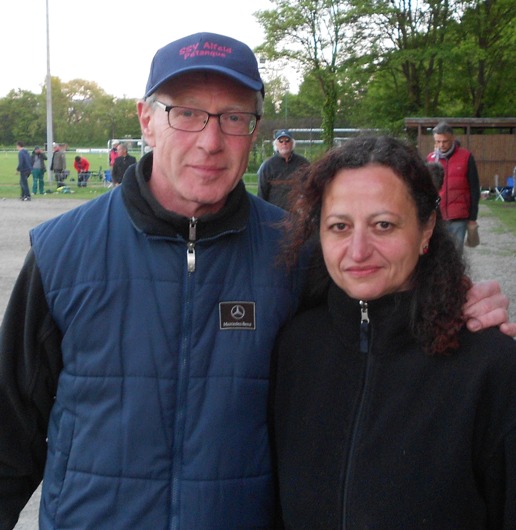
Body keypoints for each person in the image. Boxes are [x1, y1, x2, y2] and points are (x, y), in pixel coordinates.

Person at [0, 34, 512, 530]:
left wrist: (461, 304)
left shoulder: (294, 253)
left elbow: (379, 318)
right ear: (146, 120)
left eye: (233, 117)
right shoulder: (64, 252)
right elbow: (9, 433)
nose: (210, 141)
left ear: (255, 129)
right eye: (187, 113)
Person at [272, 136, 516, 528]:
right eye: (339, 226)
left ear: (426, 228)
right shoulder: (296, 348)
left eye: (383, 225)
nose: (358, 250)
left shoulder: (491, 368)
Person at [426, 121, 480, 255]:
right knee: (436, 255)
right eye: (438, 141)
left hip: (458, 217)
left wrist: (472, 218)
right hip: (437, 217)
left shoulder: (466, 157)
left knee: (455, 254)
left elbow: (474, 189)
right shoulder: (430, 159)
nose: (441, 145)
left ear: (452, 139)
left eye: (445, 141)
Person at [257, 129, 309, 210]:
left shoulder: (303, 163)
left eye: (287, 140)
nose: (284, 143)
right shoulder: (268, 166)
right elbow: (262, 193)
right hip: (274, 212)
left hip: (296, 213)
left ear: (292, 143)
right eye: (280, 141)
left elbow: (309, 188)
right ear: (276, 144)